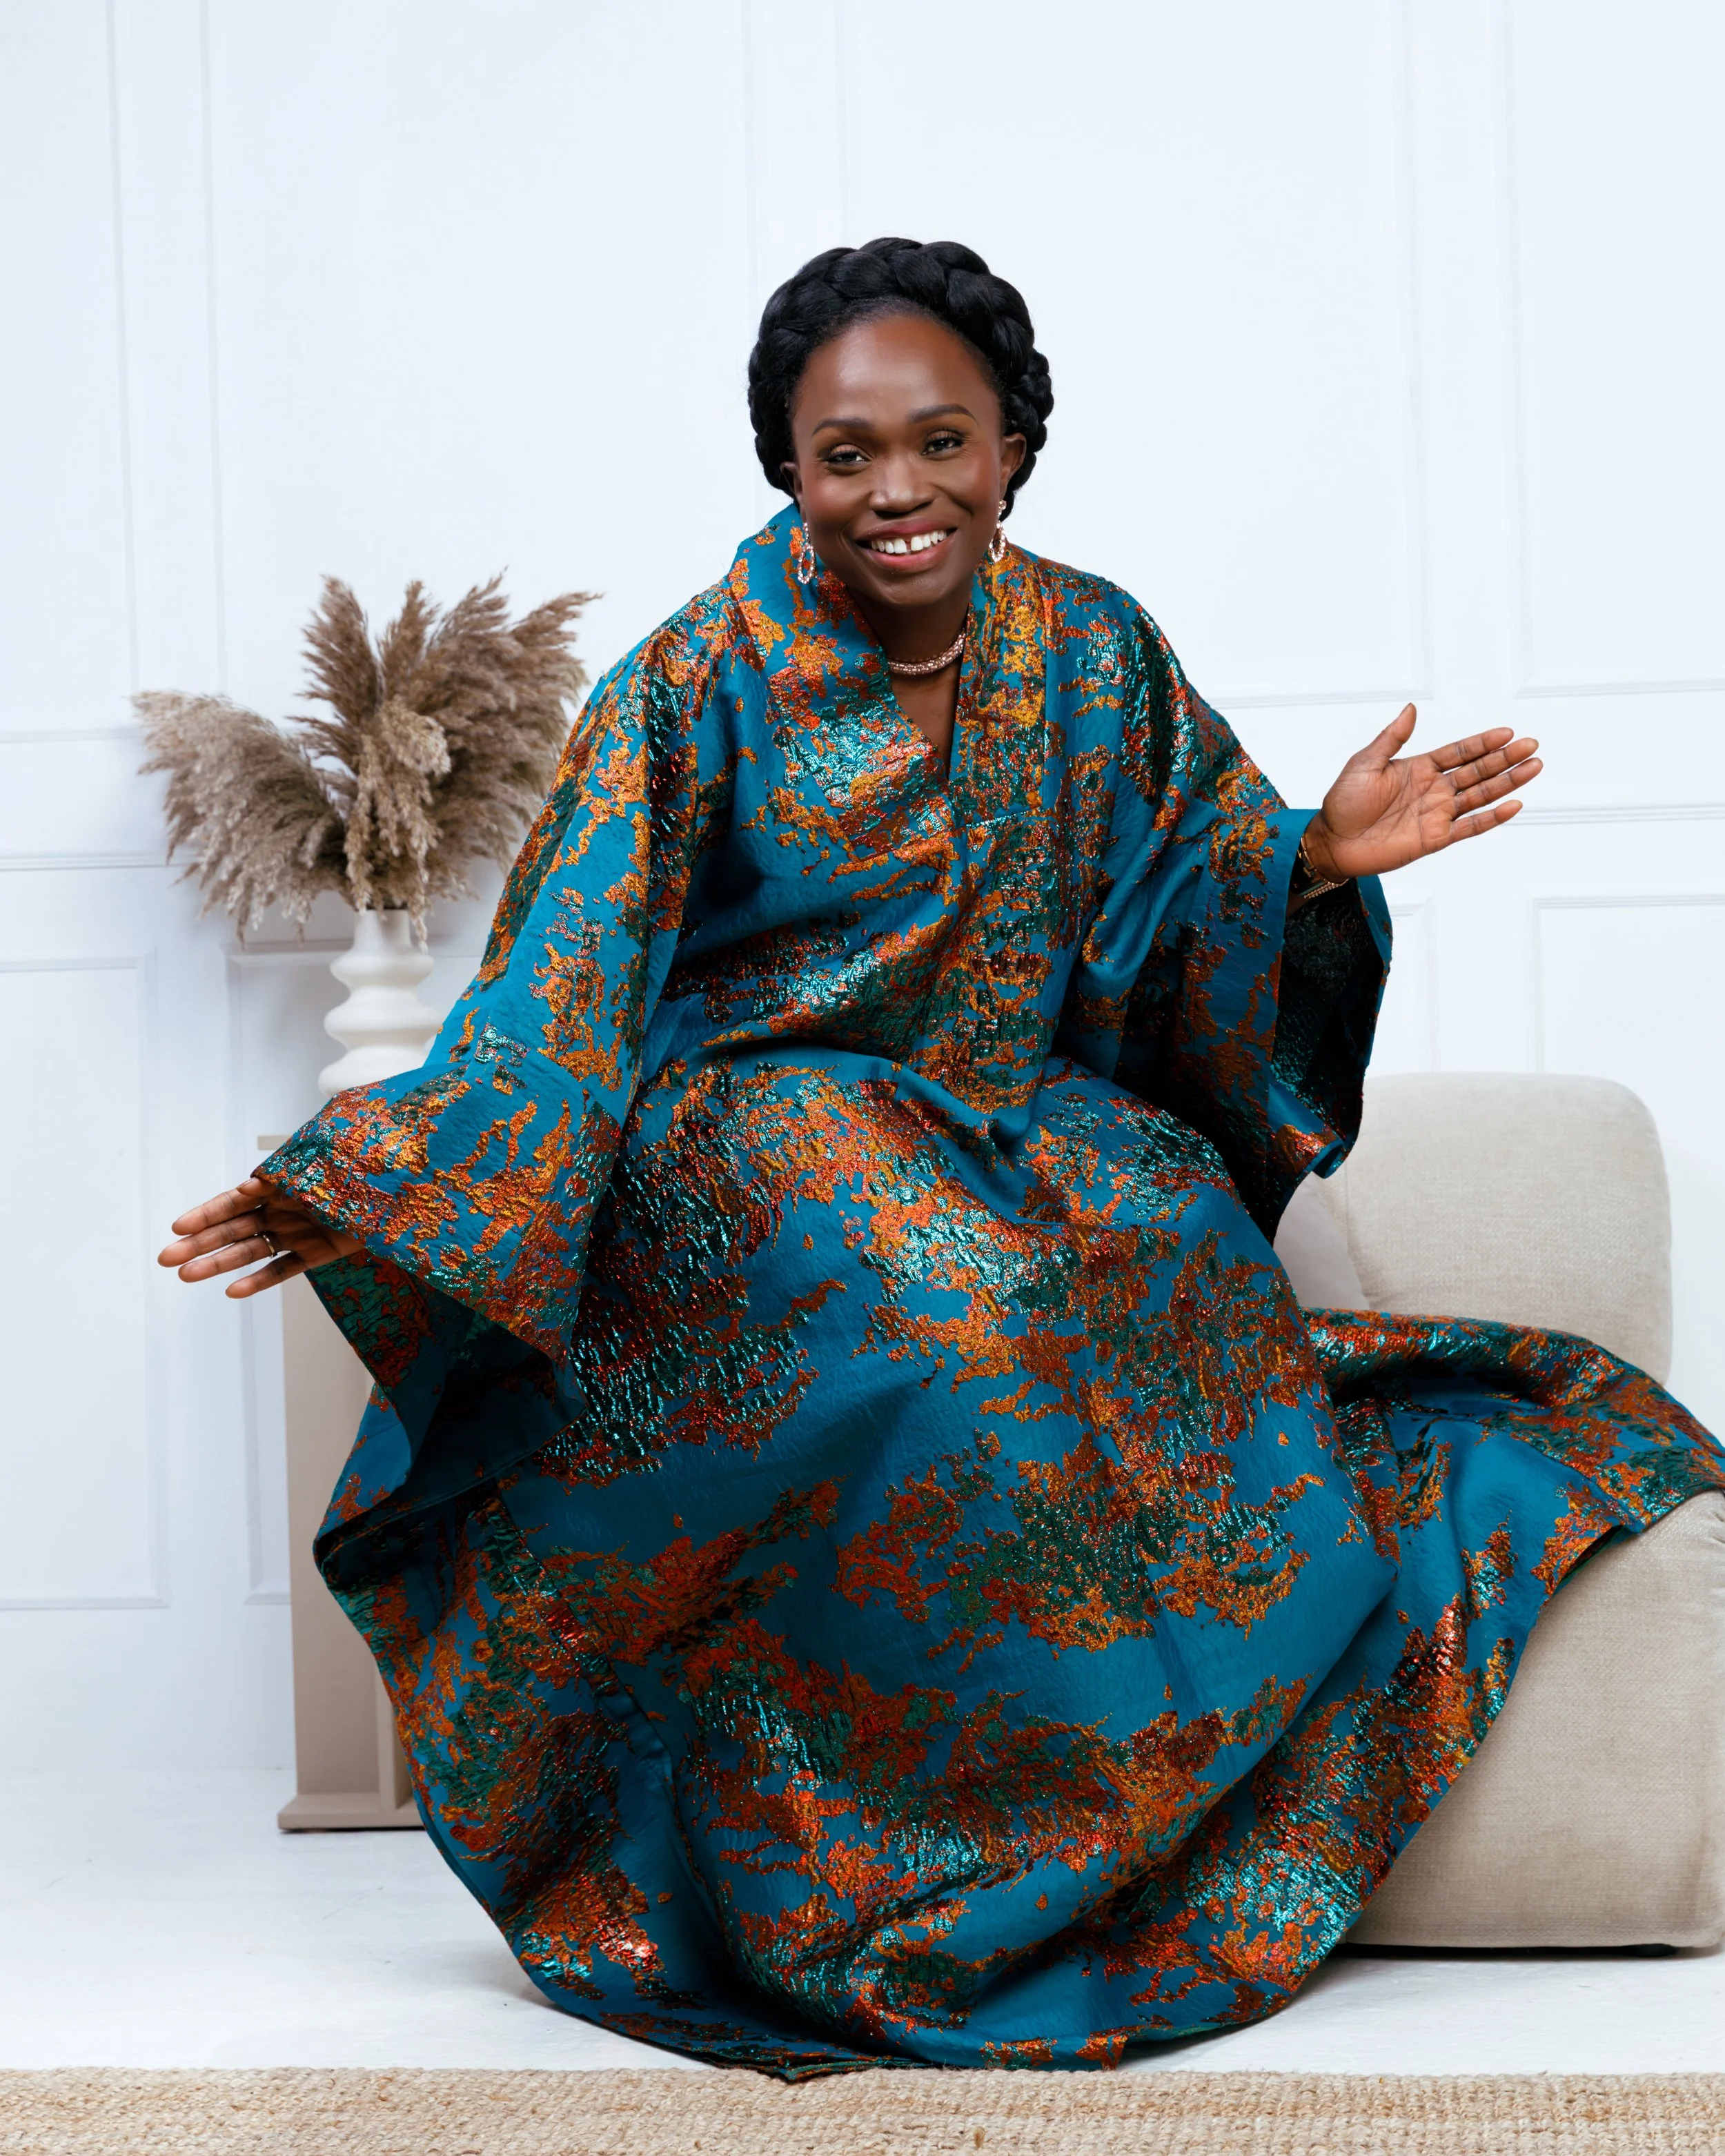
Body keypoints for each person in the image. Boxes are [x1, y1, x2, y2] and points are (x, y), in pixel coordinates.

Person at [161, 239, 1722, 2077]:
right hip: (755, 1130)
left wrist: (1305, 858)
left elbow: (1165, 913)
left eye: (936, 440)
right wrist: (374, 1171)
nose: (891, 487)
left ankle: (1107, 1831)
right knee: (931, 1287)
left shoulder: (1096, 648)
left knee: (1165, 1229)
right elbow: (560, 972)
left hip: (1016, 1120)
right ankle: (861, 1885)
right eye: (843, 452)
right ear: (787, 467)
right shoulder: (689, 681)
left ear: (1010, 448)